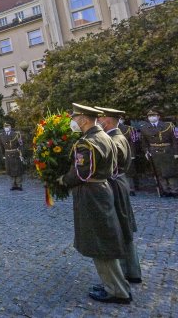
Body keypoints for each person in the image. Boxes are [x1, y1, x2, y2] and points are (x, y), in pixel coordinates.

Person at [59, 103, 131, 304]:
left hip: (92, 193)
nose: (73, 121)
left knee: (100, 242)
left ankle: (116, 290)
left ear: (83, 118)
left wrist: (63, 180)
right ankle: (116, 283)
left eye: (75, 117)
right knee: (104, 238)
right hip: (102, 189)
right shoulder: (105, 137)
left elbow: (82, 172)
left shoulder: (87, 142)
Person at [95, 106, 142, 285]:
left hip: (114, 186)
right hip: (119, 183)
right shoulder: (118, 137)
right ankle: (133, 271)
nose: (98, 121)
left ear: (107, 120)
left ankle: (123, 274)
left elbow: (106, 165)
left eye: (100, 118)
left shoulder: (114, 139)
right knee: (124, 227)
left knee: (118, 228)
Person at [139, 109, 178, 197]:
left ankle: (174, 190)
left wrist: (176, 152)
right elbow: (144, 142)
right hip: (154, 151)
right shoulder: (144, 128)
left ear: (158, 117)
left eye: (154, 116)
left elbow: (174, 140)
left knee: (171, 171)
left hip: (168, 150)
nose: (152, 117)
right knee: (159, 172)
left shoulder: (168, 125)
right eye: (150, 116)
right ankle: (165, 190)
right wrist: (146, 152)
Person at [0, 122, 25, 191]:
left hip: (16, 153)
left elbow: (21, 144)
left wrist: (21, 154)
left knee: (18, 170)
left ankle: (19, 185)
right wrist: (3, 155)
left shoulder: (16, 134)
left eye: (8, 126)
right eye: (5, 127)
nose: (6, 128)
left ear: (10, 127)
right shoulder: (1, 135)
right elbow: (1, 146)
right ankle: (13, 185)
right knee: (10, 170)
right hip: (7, 154)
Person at [118, 117, 141, 195]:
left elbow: (134, 142)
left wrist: (133, 153)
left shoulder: (129, 129)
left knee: (130, 171)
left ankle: (131, 188)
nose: (119, 120)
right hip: (116, 152)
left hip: (128, 152)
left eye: (121, 119)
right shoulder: (109, 128)